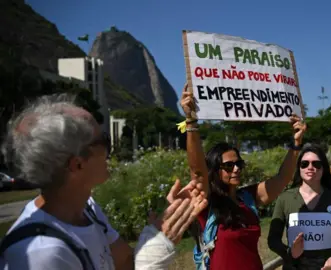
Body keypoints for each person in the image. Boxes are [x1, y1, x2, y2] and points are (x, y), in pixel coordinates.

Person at [0, 94, 207, 270]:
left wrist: (157, 231)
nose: (110, 150)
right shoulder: (43, 255)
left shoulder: (86, 209)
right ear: (77, 165)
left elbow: (126, 262)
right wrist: (155, 258)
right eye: (103, 141)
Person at [180, 87, 307, 270]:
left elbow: (282, 179)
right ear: (215, 170)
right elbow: (198, 172)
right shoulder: (207, 203)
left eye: (239, 163)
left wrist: (296, 144)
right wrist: (191, 122)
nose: (237, 168)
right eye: (229, 165)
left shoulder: (248, 198)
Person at [268, 144, 331, 270]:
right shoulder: (285, 199)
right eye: (305, 164)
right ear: (299, 168)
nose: (310, 167)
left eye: (316, 164)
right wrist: (289, 252)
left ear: (323, 168)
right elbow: (273, 240)